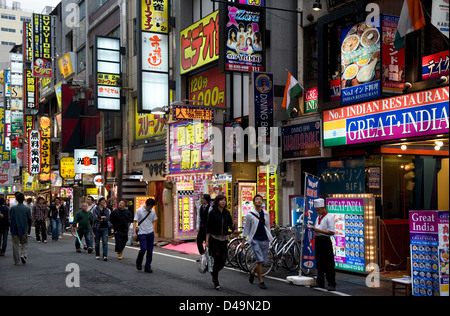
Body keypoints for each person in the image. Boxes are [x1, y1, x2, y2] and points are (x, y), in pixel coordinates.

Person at [241, 194, 273, 289]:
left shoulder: (266, 213)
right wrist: (243, 242)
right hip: (255, 240)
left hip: (265, 239)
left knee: (262, 261)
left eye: (260, 200)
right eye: (257, 200)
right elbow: (246, 228)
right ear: (254, 202)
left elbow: (268, 227)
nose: (259, 201)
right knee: (259, 260)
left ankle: (252, 272)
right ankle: (260, 281)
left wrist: (269, 238)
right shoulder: (250, 215)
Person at [205, 195, 236, 291]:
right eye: (221, 200)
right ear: (217, 201)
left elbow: (231, 227)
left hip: (224, 240)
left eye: (225, 200)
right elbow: (208, 228)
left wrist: (234, 224)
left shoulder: (227, 213)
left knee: (222, 261)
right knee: (217, 258)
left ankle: (214, 273)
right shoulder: (212, 213)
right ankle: (216, 281)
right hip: (214, 239)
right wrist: (206, 241)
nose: (223, 202)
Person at [307, 198, 337, 291]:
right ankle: (320, 282)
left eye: (318, 209)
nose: (317, 211)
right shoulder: (318, 217)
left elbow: (331, 232)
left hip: (325, 240)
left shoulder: (329, 217)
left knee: (329, 263)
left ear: (323, 207)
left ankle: (331, 283)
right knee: (319, 262)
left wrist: (316, 229)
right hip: (318, 239)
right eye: (316, 210)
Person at [133, 198, 157, 273]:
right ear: (147, 205)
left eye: (152, 206)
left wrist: (153, 230)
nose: (151, 208)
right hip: (142, 233)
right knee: (143, 249)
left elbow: (153, 221)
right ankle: (138, 262)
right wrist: (134, 233)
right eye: (150, 206)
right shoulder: (139, 211)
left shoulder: (152, 211)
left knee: (150, 251)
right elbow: (135, 222)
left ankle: (147, 267)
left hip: (150, 233)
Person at [10, 192, 32, 265]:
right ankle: (23, 255)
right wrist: (29, 230)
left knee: (15, 245)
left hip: (14, 228)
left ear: (16, 199)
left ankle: (16, 261)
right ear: (23, 199)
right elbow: (29, 219)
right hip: (23, 227)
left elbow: (10, 218)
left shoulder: (12, 208)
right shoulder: (27, 208)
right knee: (24, 243)